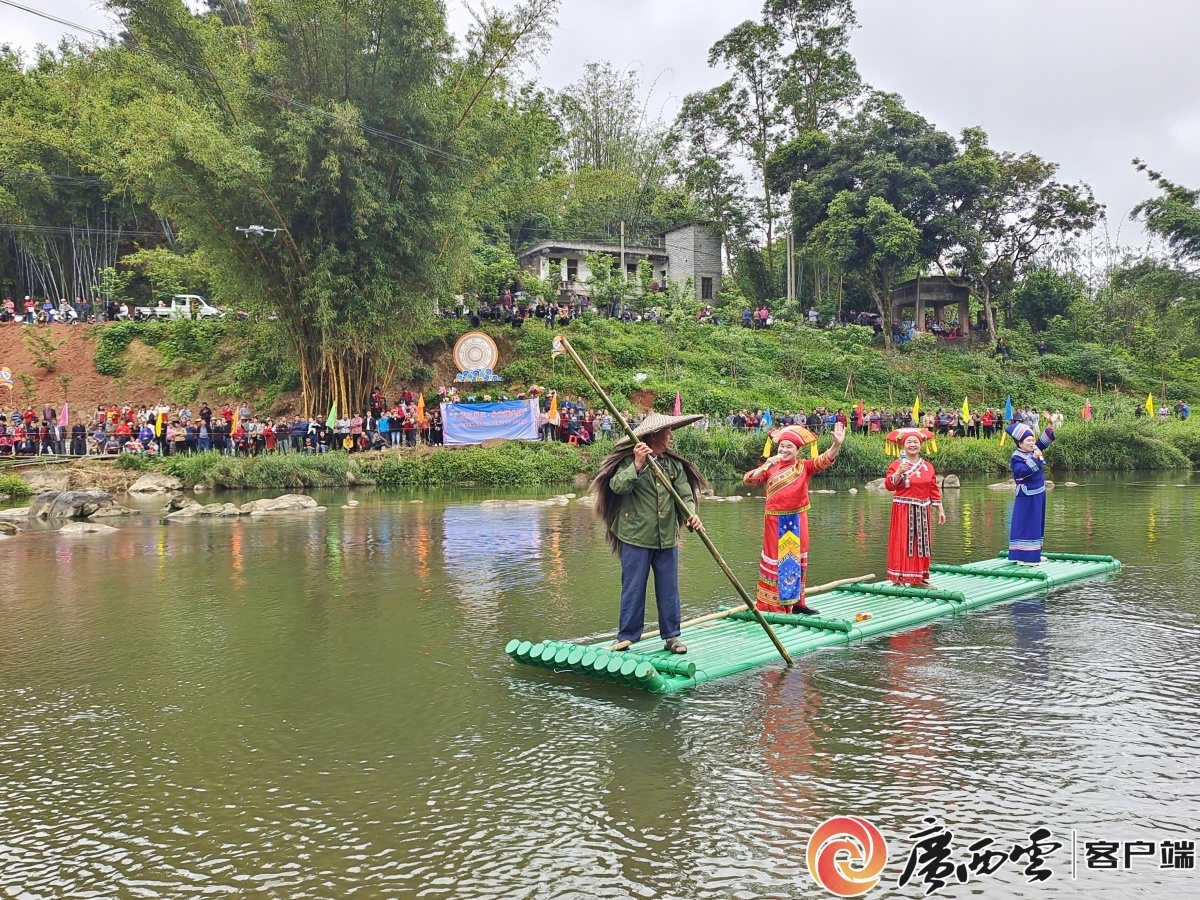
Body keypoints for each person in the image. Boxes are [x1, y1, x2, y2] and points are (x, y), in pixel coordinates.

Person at [591, 412, 709, 654]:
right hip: (635, 536)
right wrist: (637, 464)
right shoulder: (630, 462)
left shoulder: (673, 465)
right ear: (655, 435)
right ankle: (626, 637)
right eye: (668, 432)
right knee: (633, 587)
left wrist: (690, 515)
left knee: (669, 588)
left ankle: (672, 636)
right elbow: (617, 487)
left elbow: (685, 496)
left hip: (666, 537)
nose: (671, 436)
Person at [742, 422, 845, 615]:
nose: (784, 449)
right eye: (782, 446)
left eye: (789, 446)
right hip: (774, 521)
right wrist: (766, 465)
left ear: (797, 450)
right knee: (775, 560)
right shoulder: (770, 467)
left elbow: (824, 460)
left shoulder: (803, 467)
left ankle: (798, 603)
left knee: (796, 559)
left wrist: (836, 445)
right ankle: (773, 604)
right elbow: (749, 480)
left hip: (798, 519)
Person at [883, 427, 946, 586]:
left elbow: (933, 488)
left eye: (915, 442)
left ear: (921, 445)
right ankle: (899, 579)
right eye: (909, 442)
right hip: (903, 509)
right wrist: (898, 473)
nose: (912, 445)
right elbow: (890, 486)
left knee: (922, 544)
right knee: (903, 542)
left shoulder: (927, 466)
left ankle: (920, 578)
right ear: (903, 446)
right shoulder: (897, 464)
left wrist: (939, 509)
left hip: (923, 509)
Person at [1007, 422, 1055, 564]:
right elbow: (1022, 472)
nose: (1032, 442)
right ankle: (1024, 556)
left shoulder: (1033, 449)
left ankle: (1034, 553)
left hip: (1038, 492)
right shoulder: (1016, 457)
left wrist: (1050, 426)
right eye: (1028, 440)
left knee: (1037, 524)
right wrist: (1035, 457)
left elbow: (1043, 442)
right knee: (1027, 524)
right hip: (1027, 495)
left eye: (1032, 440)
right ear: (1020, 443)